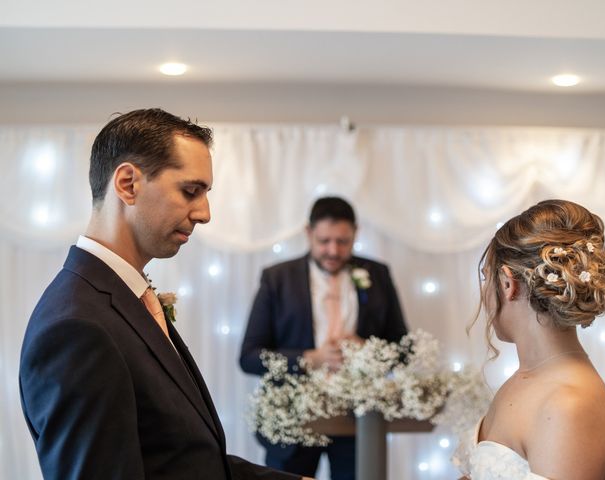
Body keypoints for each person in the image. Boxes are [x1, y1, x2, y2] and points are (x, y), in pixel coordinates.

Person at [19, 108, 311, 480]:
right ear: (127, 184)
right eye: (191, 191)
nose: (205, 213)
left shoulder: (124, 297)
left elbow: (181, 460)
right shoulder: (77, 327)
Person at [454, 199, 605, 480]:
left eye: (486, 277)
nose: (483, 293)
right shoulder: (524, 379)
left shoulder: (569, 406)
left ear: (508, 284)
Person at [239, 196, 408, 480]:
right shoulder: (277, 278)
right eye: (324, 240)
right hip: (293, 422)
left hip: (358, 421)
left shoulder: (378, 274)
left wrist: (368, 351)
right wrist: (309, 359)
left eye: (342, 241)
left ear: (356, 233)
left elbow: (405, 349)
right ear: (309, 233)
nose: (333, 250)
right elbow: (249, 357)